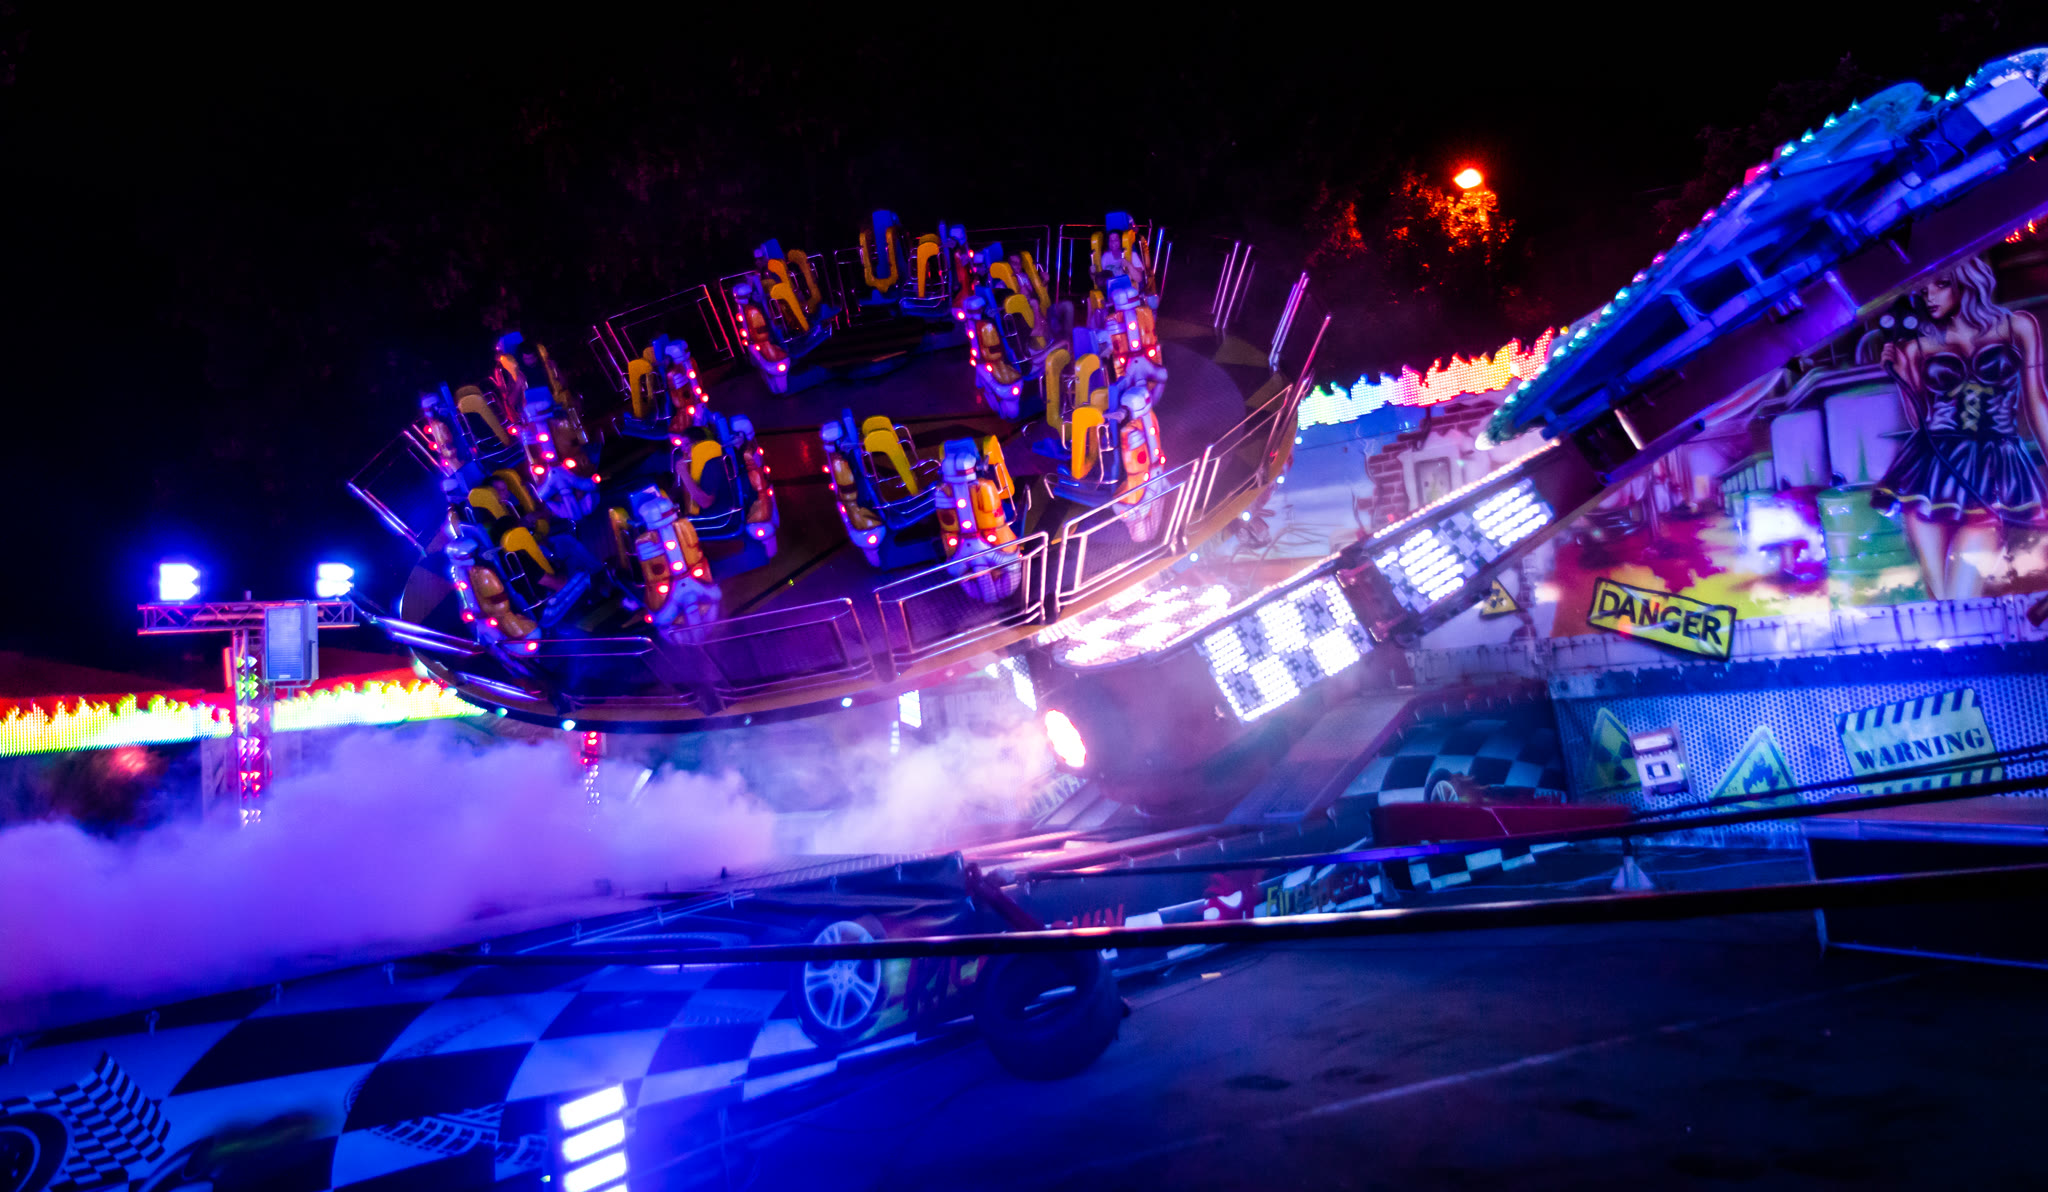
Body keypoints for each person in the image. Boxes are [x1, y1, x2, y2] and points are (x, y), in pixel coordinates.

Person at [1875, 255, 2048, 599]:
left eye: (1940, 284)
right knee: (1941, 598)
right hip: (1931, 470)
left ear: (1967, 280)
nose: (1929, 296)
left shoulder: (2018, 326)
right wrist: (1901, 374)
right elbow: (1921, 421)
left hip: (1996, 465)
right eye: (1922, 290)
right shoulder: (1918, 345)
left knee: (1961, 596)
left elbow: (2038, 403)